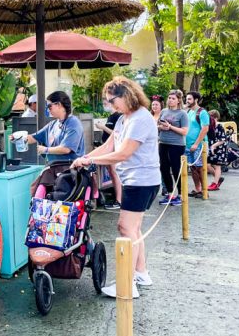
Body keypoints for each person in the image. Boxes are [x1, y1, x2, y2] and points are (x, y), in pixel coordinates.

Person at [71, 76, 160, 299]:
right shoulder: (123, 119)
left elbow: (123, 153)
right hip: (135, 180)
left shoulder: (140, 118)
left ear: (127, 95)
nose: (111, 105)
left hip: (141, 180)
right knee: (134, 229)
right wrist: (85, 157)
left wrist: (90, 162)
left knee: (125, 228)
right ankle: (141, 273)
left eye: (113, 100)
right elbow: (109, 146)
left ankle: (126, 285)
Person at [14, 91, 85, 162]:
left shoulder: (73, 123)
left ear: (59, 104)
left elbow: (66, 149)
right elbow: (33, 137)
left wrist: (45, 150)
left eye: (49, 106)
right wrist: (18, 139)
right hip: (54, 168)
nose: (48, 109)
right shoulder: (53, 124)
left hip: (70, 169)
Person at [157, 89, 188, 205]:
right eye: (169, 98)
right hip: (163, 142)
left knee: (176, 169)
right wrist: (161, 127)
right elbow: (158, 125)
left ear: (178, 100)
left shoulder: (182, 114)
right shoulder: (164, 111)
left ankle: (180, 195)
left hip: (177, 144)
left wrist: (170, 127)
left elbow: (184, 131)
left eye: (173, 98)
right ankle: (170, 193)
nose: (170, 100)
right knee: (164, 168)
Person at [95, 99, 123, 209]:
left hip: (114, 149)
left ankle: (119, 200)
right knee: (112, 173)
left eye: (106, 102)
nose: (104, 105)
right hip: (107, 148)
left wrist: (103, 127)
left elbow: (116, 134)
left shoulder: (118, 117)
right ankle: (118, 198)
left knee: (114, 173)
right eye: (103, 103)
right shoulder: (110, 116)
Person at [185, 91, 209, 198]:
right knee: (193, 168)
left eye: (189, 99)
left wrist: (196, 144)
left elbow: (205, 129)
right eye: (187, 99)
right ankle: (197, 189)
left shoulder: (202, 112)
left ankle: (205, 191)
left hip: (199, 145)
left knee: (200, 168)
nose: (187, 101)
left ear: (196, 100)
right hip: (188, 145)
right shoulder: (189, 112)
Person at [207, 109, 226, 190]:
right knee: (207, 165)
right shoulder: (209, 126)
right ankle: (218, 179)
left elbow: (222, 139)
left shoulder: (219, 126)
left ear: (216, 118)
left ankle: (215, 183)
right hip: (210, 148)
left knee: (217, 166)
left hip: (219, 149)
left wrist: (213, 146)